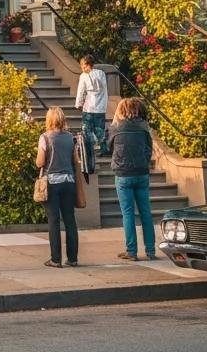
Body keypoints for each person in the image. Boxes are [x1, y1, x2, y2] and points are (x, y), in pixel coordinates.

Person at [108, 97, 156, 261]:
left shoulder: (116, 128)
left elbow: (108, 147)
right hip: (141, 172)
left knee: (127, 213)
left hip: (123, 174)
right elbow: (149, 149)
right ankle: (150, 250)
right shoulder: (144, 128)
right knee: (146, 212)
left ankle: (132, 251)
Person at [35, 106, 79, 268]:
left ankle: (56, 259)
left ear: (49, 119)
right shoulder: (70, 138)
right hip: (69, 181)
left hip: (52, 182)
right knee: (70, 220)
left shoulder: (45, 138)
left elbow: (40, 162)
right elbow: (75, 159)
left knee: (54, 221)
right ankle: (73, 258)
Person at [75, 54, 108, 171]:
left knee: (87, 129)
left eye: (82, 65)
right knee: (100, 129)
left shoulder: (84, 76)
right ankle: (104, 149)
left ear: (87, 65)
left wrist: (78, 104)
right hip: (100, 107)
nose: (81, 68)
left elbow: (81, 91)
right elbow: (102, 88)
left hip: (89, 107)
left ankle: (89, 150)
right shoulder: (101, 74)